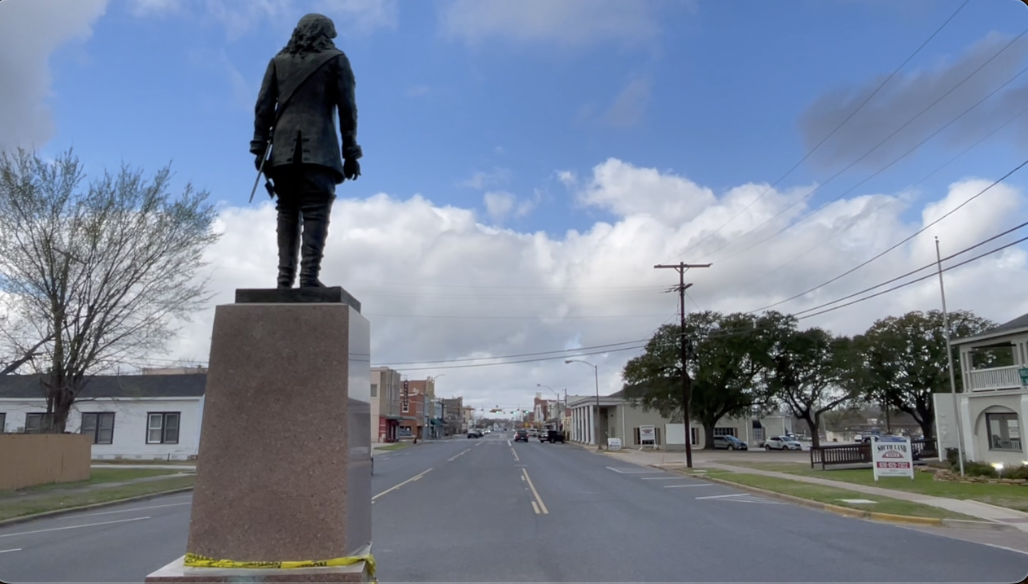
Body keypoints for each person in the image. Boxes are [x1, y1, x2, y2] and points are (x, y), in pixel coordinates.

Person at [250, 13, 362, 288]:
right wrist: (351, 153)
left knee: (286, 209)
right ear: (323, 34)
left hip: (283, 152)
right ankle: (309, 279)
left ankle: (284, 279)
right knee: (316, 210)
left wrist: (259, 147)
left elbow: (263, 107)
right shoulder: (336, 60)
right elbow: (348, 109)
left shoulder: (279, 61)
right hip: (319, 151)